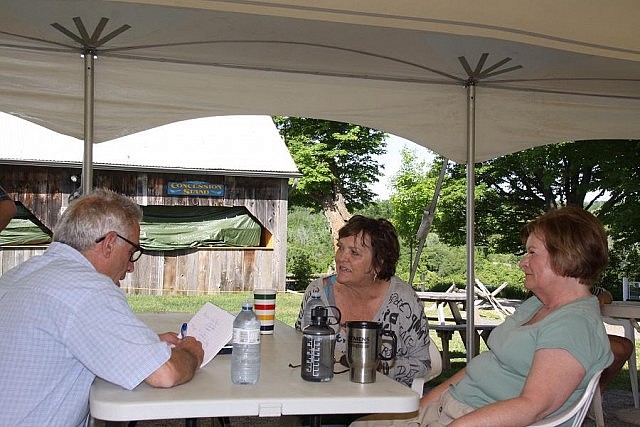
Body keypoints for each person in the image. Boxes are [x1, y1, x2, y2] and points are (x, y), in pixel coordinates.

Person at [351, 206, 613, 427]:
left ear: (566, 255)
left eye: (532, 252)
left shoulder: (573, 326)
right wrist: (418, 409)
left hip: (473, 419)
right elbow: (481, 367)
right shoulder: (536, 305)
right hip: (452, 409)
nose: (523, 262)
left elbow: (533, 407)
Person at [0, 189, 204, 426]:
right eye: (131, 253)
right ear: (108, 243)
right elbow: (166, 374)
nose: (130, 268)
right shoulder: (87, 288)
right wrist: (190, 351)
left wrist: (139, 343)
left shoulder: (18, 275)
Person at [295, 215, 431, 386]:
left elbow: (423, 365)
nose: (341, 258)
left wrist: (378, 367)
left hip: (381, 403)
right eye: (340, 248)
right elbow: (298, 347)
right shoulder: (317, 294)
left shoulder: (403, 300)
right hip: (322, 394)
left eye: (354, 252)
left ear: (378, 263)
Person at [592, 286, 634, 392]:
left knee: (625, 346)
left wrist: (601, 297)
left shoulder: (581, 283)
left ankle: (596, 393)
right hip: (564, 336)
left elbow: (606, 294)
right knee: (620, 348)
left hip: (585, 334)